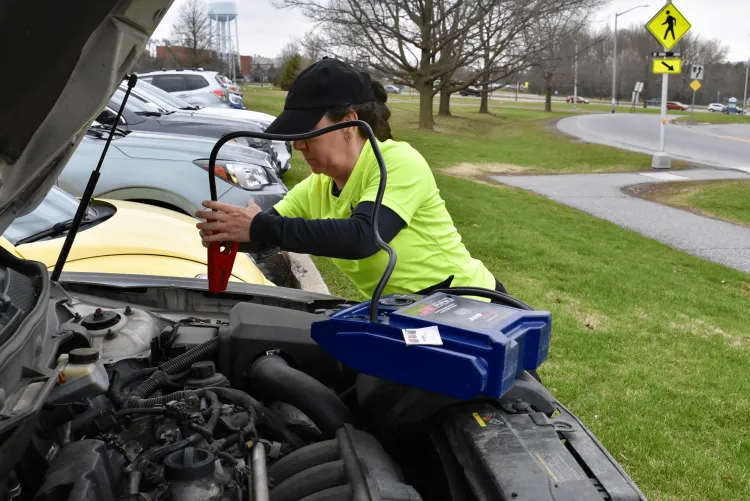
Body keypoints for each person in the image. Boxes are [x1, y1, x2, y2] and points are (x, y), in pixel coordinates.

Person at [196, 57, 505, 300]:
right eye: (295, 135)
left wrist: (259, 225)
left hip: (468, 305)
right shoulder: (317, 186)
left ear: (347, 123)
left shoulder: (398, 162)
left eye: (307, 132)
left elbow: (364, 237)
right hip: (407, 316)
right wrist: (232, 229)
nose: (299, 144)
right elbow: (268, 232)